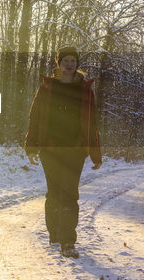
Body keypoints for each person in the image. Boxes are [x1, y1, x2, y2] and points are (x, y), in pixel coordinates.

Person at [24, 45, 102, 257]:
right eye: (66, 60)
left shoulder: (85, 90)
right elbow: (35, 116)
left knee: (69, 194)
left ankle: (68, 241)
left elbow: (91, 123)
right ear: (59, 63)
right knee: (54, 193)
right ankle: (55, 234)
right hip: (50, 148)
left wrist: (95, 153)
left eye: (73, 61)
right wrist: (31, 146)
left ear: (77, 64)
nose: (69, 64)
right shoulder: (47, 87)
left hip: (75, 150)